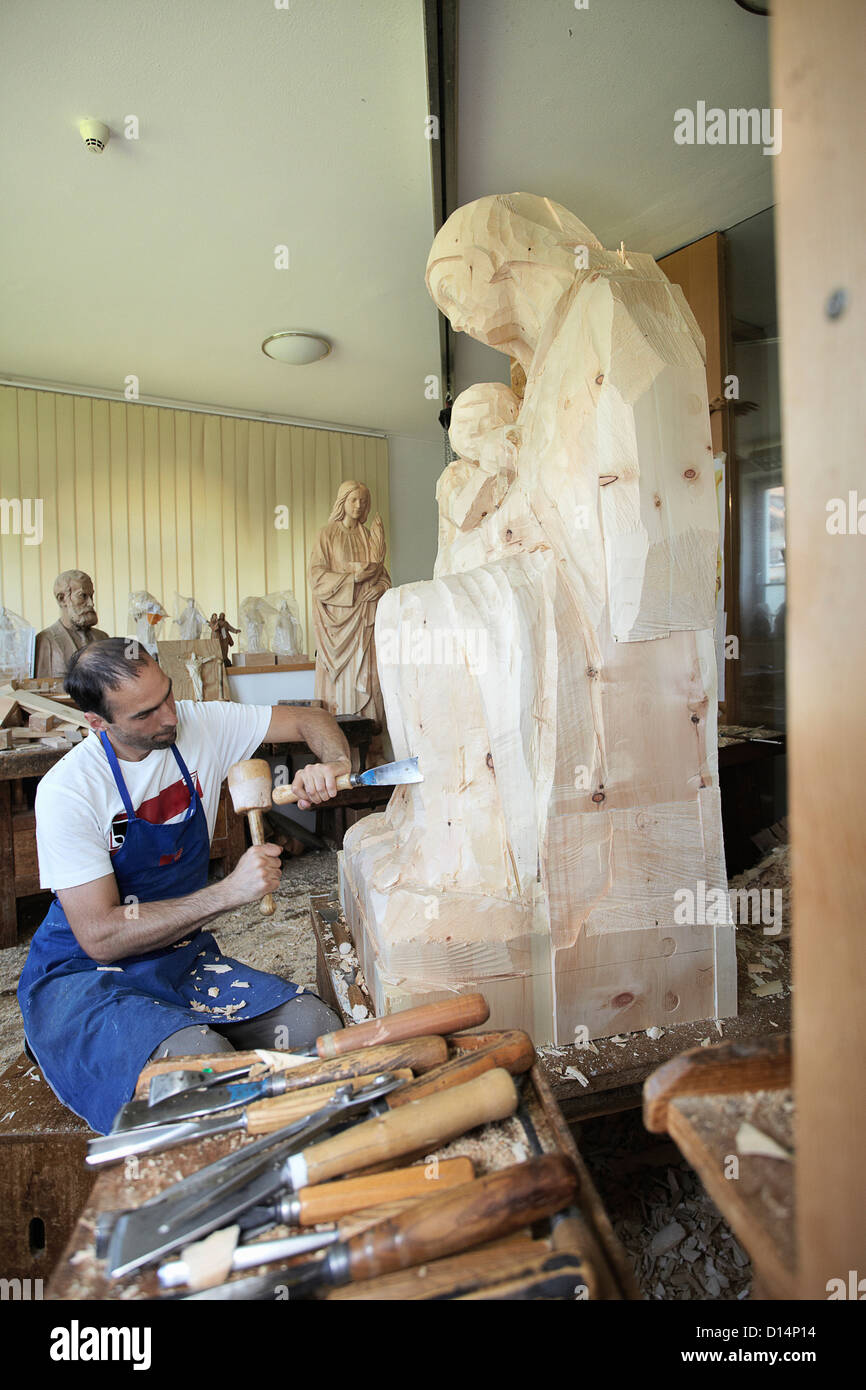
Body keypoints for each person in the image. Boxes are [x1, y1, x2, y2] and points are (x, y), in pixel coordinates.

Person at [18, 638, 351, 1134]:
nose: (169, 718)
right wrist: (227, 893)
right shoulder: (69, 791)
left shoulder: (198, 722)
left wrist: (334, 764)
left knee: (313, 1029)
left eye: (168, 696)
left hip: (178, 957)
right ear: (98, 723)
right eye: (145, 715)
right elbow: (102, 934)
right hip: (86, 974)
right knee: (200, 1064)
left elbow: (311, 720)